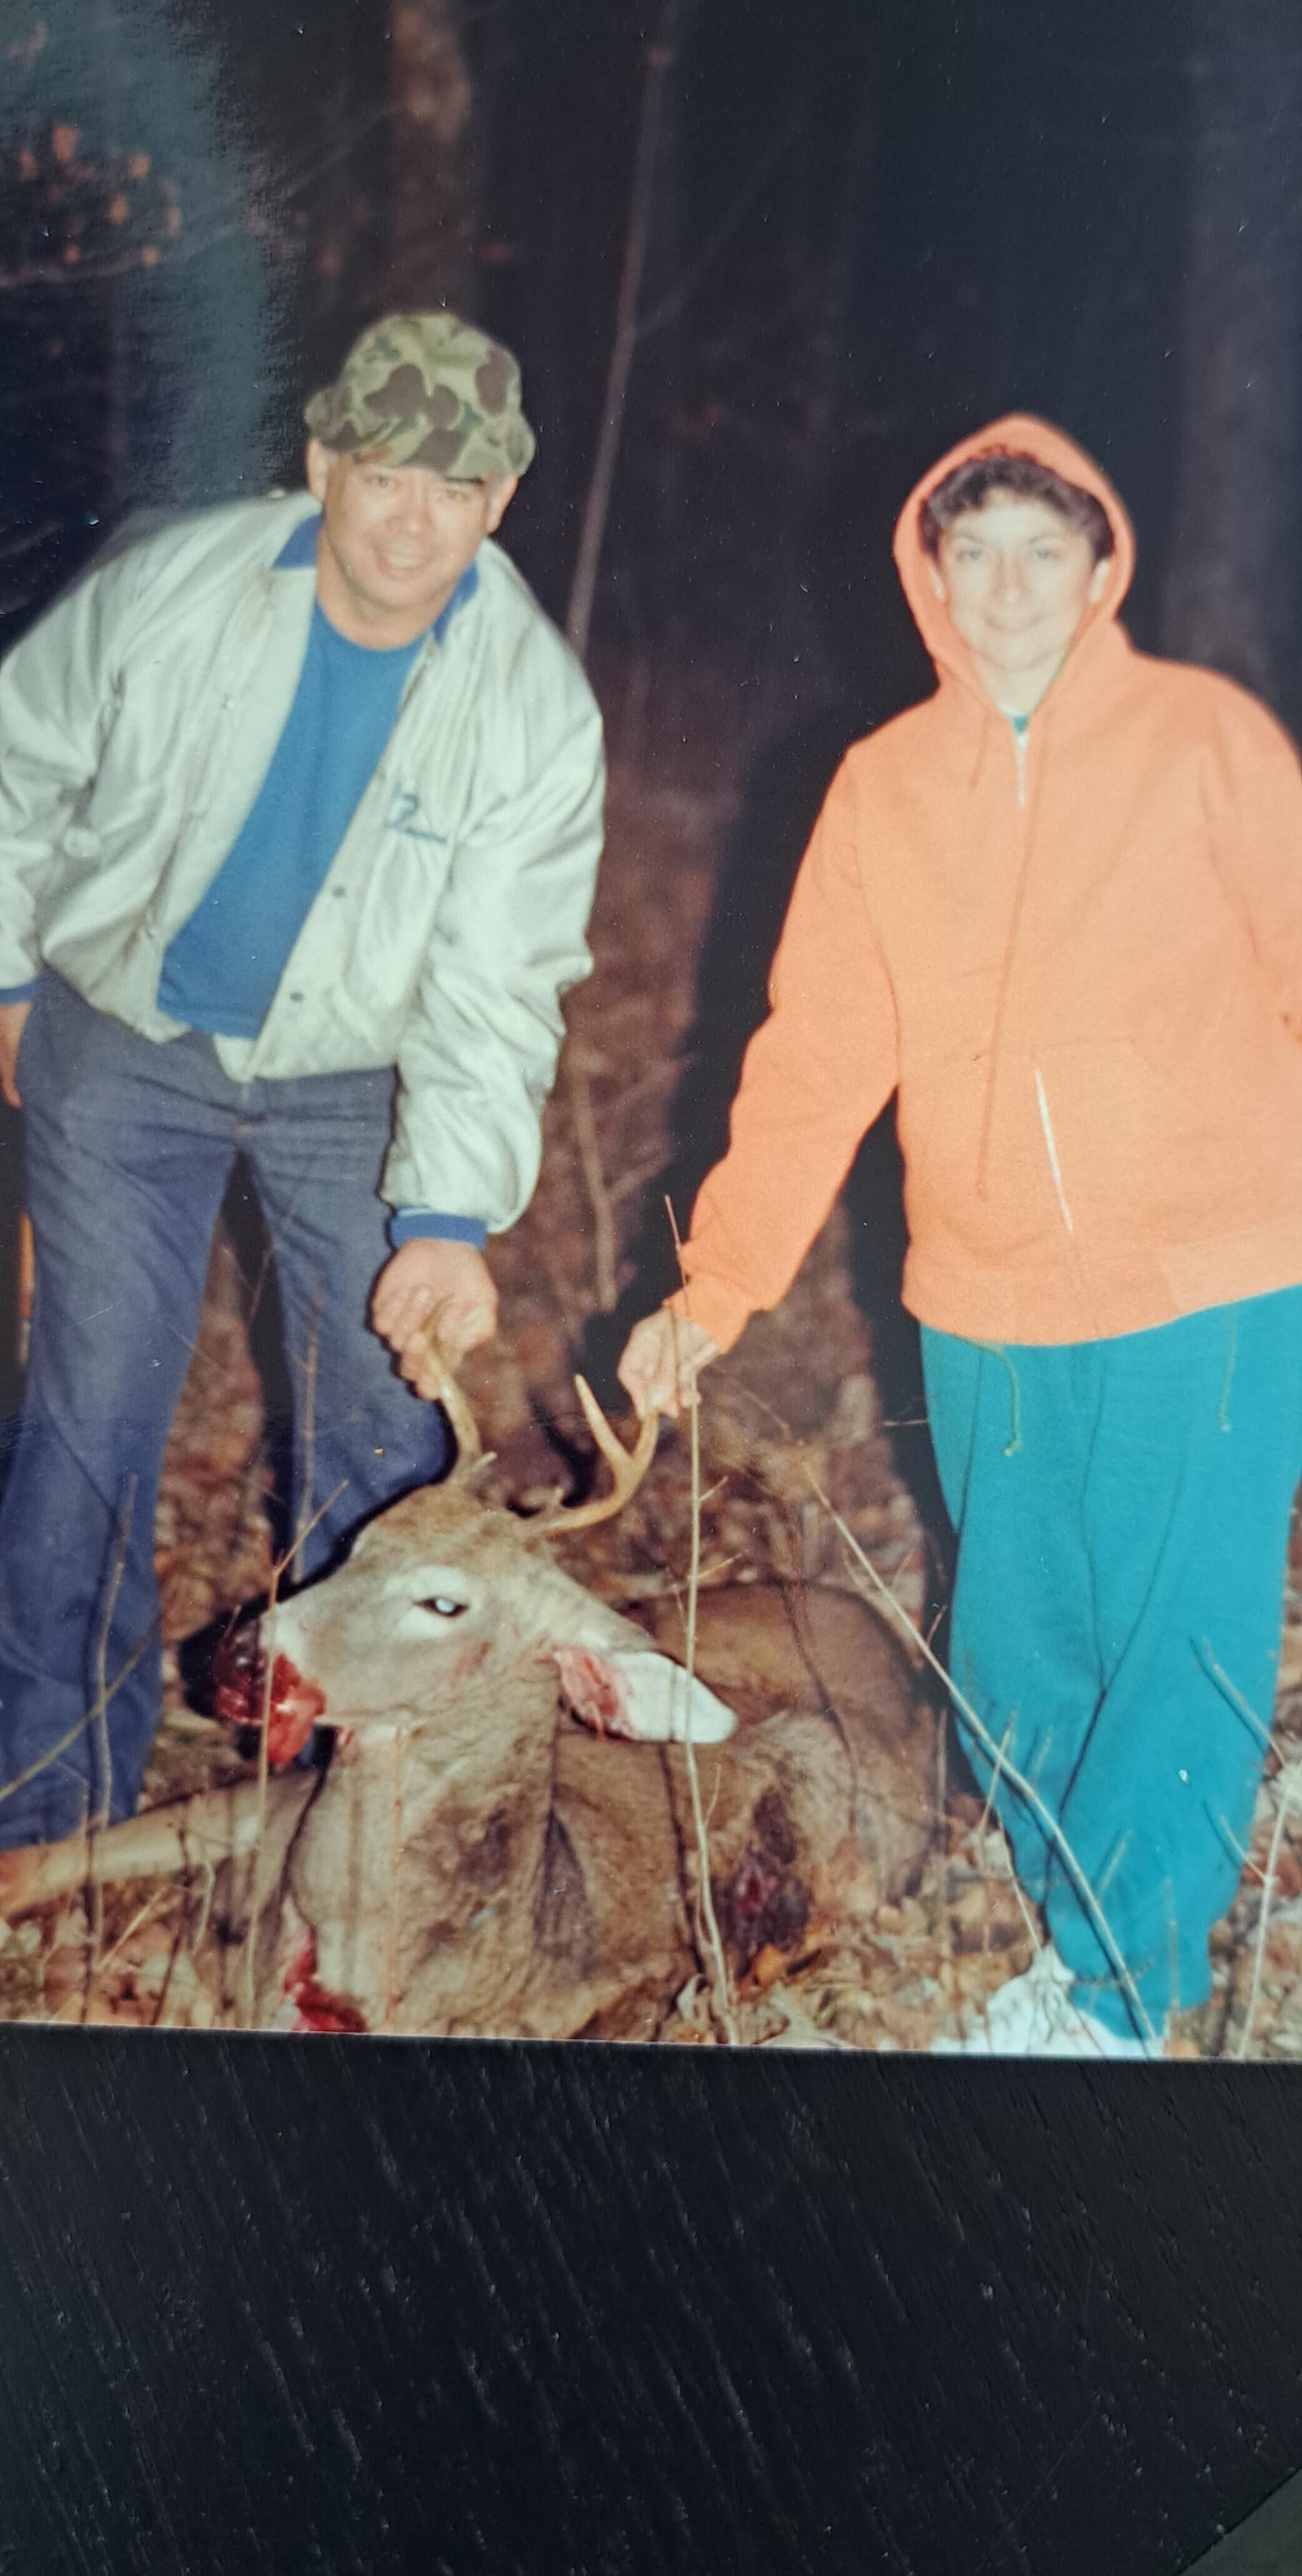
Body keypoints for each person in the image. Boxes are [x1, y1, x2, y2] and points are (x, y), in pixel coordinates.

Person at [619, 411, 1302, 2059]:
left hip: (1204, 1272)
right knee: (1011, 1637)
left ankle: (1127, 1985)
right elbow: (812, 1059)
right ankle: (1085, 1885)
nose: (1004, 590)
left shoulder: (1203, 741)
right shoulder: (880, 789)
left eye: (1039, 555)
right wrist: (713, 1285)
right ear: (927, 574)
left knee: (1173, 1630)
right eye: (971, 553)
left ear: (1097, 569)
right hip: (983, 1288)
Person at [0, 311, 604, 1847]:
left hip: (354, 1079)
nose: (414, 518)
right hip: (121, 1042)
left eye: (454, 487)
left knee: (390, 1445)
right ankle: (50, 1817)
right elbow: (20, 756)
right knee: (87, 1427)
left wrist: (450, 1211)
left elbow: (497, 977)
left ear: (500, 501)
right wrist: (8, 970)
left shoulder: (531, 705)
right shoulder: (174, 587)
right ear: (324, 463)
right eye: (386, 471)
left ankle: (368, 1826)